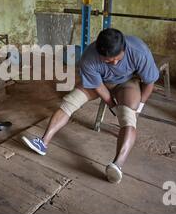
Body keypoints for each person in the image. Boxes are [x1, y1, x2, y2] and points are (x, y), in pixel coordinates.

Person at [22, 28, 159, 184]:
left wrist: (139, 107)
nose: (114, 63)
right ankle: (43, 142)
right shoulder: (89, 57)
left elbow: (149, 82)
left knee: (128, 117)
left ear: (124, 49)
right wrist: (112, 105)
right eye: (108, 60)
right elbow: (98, 85)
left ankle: (117, 165)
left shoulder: (138, 51)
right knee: (70, 101)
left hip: (127, 83)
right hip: (100, 82)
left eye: (117, 59)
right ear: (99, 54)